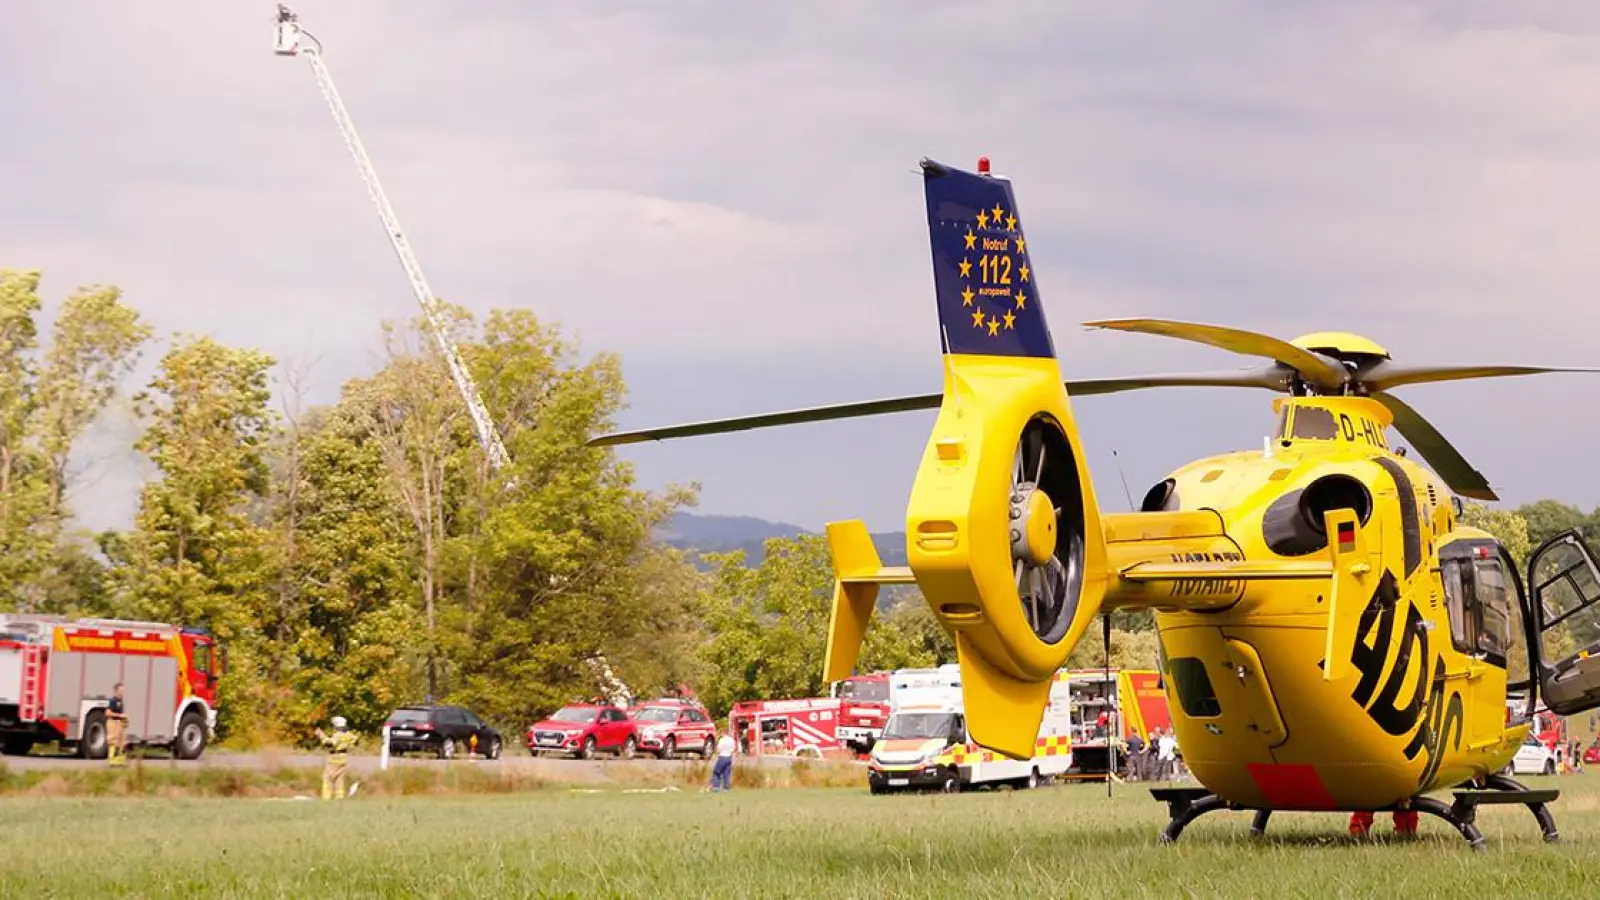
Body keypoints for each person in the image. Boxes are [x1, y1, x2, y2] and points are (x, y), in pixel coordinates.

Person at [314, 716, 359, 800]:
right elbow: (356, 742)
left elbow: (329, 744)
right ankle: (339, 798)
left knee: (327, 778)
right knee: (339, 779)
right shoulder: (349, 734)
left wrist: (321, 735)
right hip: (343, 758)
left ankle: (326, 798)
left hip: (334, 758)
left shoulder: (338, 735)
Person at [105, 682, 128, 767]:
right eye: (121, 690)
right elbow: (107, 713)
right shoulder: (113, 701)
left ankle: (120, 761)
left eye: (123, 690)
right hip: (113, 722)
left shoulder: (121, 701)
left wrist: (124, 720)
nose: (123, 692)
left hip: (119, 723)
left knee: (121, 742)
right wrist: (119, 715)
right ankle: (112, 761)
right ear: (116, 691)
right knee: (113, 742)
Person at [709, 728, 735, 792]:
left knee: (716, 772)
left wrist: (714, 755)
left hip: (722, 757)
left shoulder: (722, 740)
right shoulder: (732, 740)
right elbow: (733, 749)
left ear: (723, 733)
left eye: (721, 733)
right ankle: (726, 788)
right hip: (729, 757)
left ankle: (716, 787)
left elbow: (719, 749)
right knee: (726, 774)